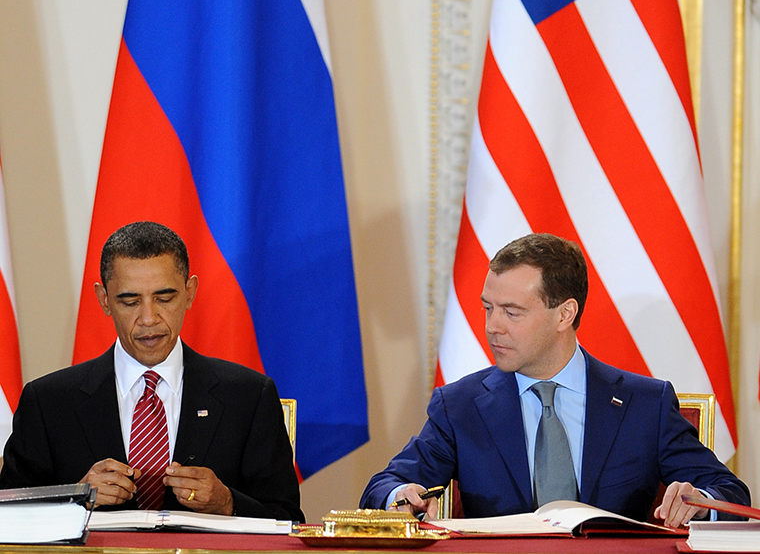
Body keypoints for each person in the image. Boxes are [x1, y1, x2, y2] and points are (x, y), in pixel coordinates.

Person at [360, 233, 749, 528]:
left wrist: (701, 500)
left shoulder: (645, 404)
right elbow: (386, 484)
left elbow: (731, 494)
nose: (492, 327)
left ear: (564, 315)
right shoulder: (460, 405)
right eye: (487, 308)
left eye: (511, 313)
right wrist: (400, 496)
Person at [0, 221, 303, 521]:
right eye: (130, 301)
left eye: (164, 298)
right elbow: (8, 519)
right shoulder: (48, 402)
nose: (148, 318)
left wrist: (227, 503)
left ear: (190, 292)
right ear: (104, 300)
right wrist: (75, 497)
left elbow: (289, 519)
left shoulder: (249, 397)